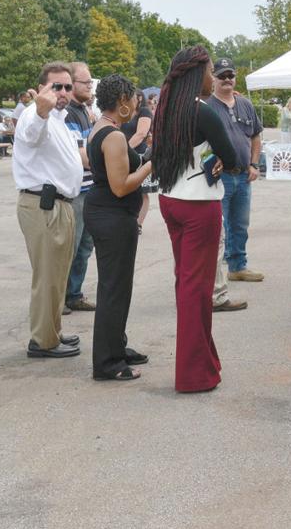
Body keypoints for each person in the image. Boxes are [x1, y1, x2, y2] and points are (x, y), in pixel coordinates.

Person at [152, 46, 240, 393]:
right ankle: (192, 374)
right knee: (196, 290)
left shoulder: (166, 108)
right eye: (208, 70)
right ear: (197, 74)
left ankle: (203, 363)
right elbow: (234, 155)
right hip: (198, 204)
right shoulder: (203, 112)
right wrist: (219, 157)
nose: (212, 76)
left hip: (171, 199)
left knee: (186, 284)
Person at [13, 62, 85, 359]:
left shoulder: (60, 118)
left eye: (68, 86)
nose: (64, 92)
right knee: (47, 276)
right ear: (43, 88)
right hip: (44, 205)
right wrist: (41, 109)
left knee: (57, 275)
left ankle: (51, 332)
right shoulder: (36, 115)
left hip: (60, 205)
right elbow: (31, 133)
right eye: (57, 86)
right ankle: (42, 341)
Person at [87, 75, 153, 381]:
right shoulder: (112, 136)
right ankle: (108, 362)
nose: (138, 103)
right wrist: (153, 164)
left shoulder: (102, 129)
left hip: (107, 214)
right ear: (123, 101)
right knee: (114, 288)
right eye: (134, 99)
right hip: (112, 215)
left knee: (117, 286)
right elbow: (121, 186)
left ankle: (117, 346)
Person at [207, 57, 265, 283]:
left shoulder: (245, 104)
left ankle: (238, 266)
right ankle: (215, 274)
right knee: (218, 227)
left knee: (240, 224)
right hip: (219, 176)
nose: (227, 80)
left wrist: (254, 164)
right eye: (221, 76)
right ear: (213, 78)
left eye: (230, 75)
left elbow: (256, 136)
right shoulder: (207, 106)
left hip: (243, 174)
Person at [63, 62, 98, 314]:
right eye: (86, 83)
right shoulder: (69, 114)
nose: (90, 86)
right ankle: (60, 297)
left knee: (85, 246)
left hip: (90, 189)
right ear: (72, 84)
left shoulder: (85, 110)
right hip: (75, 192)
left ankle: (74, 294)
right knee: (70, 247)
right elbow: (82, 155)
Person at [122, 89, 155, 231]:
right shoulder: (125, 112)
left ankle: (138, 224)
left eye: (137, 97)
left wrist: (123, 148)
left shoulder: (144, 112)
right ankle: (128, 220)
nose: (136, 100)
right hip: (124, 154)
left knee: (142, 191)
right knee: (126, 187)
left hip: (140, 154)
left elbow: (141, 133)